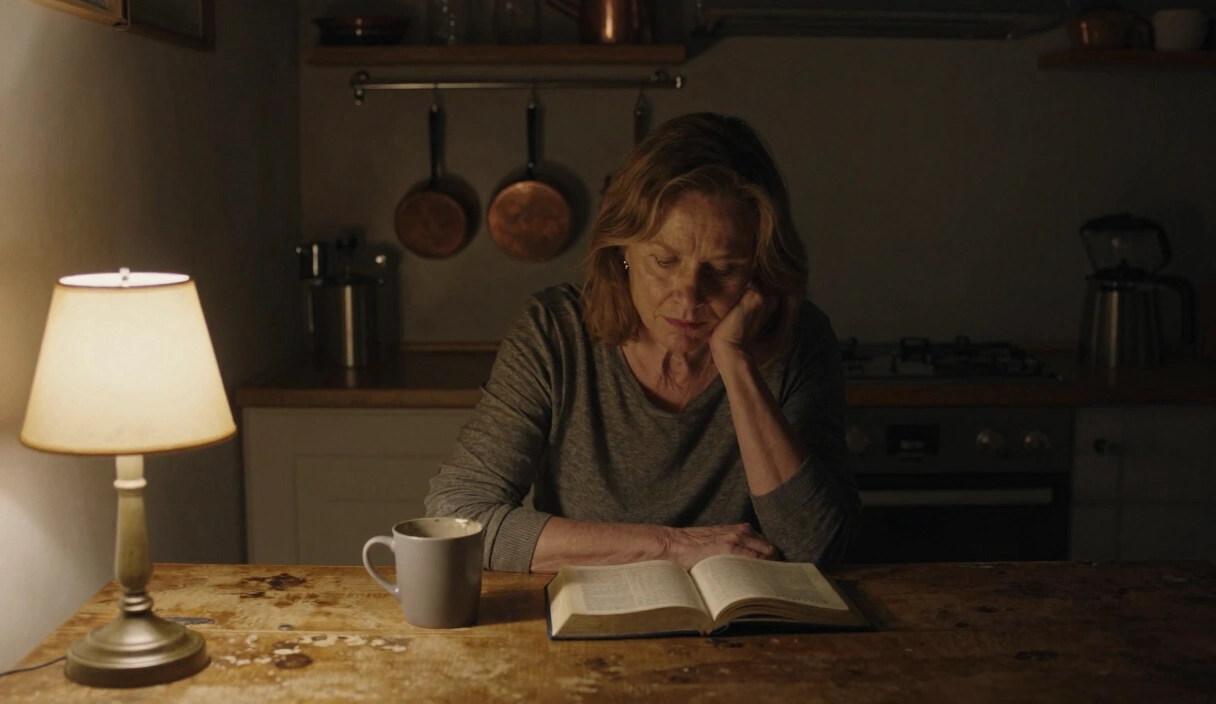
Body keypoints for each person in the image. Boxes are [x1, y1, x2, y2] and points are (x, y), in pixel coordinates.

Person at [425, 112, 858, 573]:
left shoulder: (799, 340)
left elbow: (818, 547)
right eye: (665, 261)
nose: (689, 296)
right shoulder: (555, 332)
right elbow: (457, 513)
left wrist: (735, 361)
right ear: (622, 252)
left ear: (758, 271)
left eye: (725, 269)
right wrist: (669, 546)